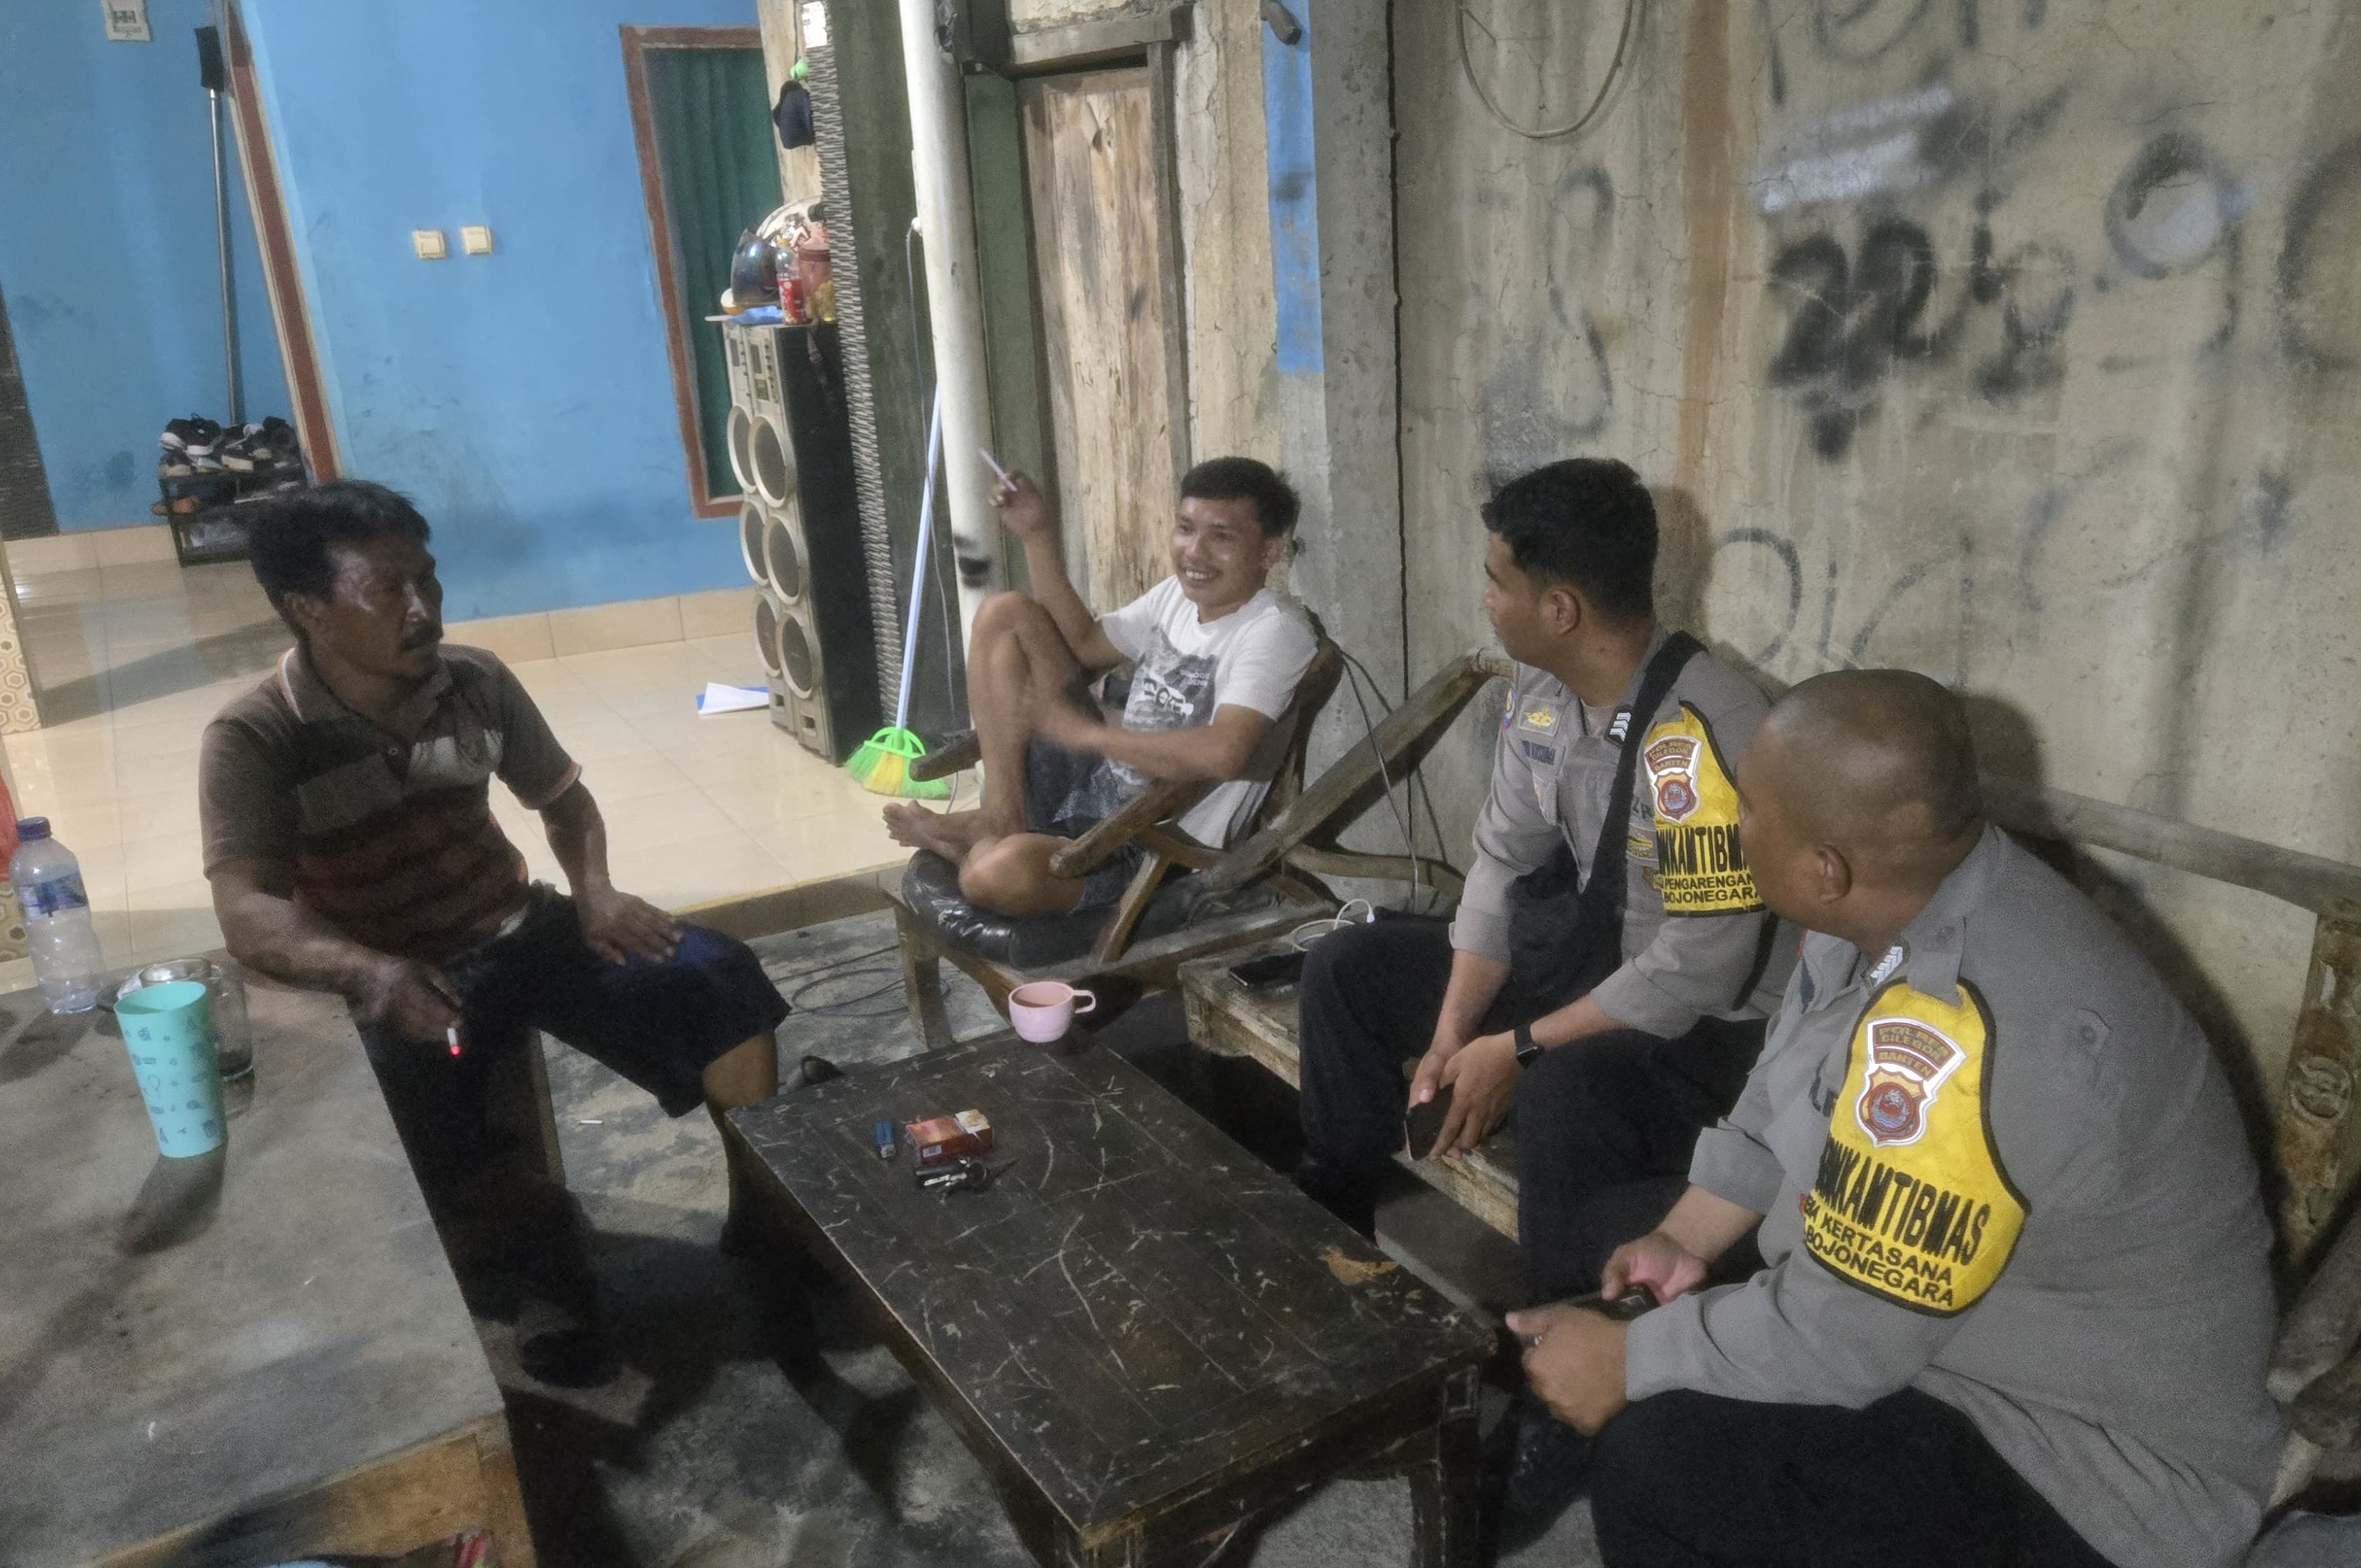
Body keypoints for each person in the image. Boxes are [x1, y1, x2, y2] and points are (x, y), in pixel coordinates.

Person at [1507, 669, 2286, 1568]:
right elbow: (1784, 1085)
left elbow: (1839, 1340)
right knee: (1617, 1244)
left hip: (2089, 1470)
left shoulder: (1973, 1037)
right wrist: (1681, 1239)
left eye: (1748, 809)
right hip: (1965, 1348)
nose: (1728, 820)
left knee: (1667, 1460)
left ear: (1825, 868)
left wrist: (1633, 1362)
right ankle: (1566, 1415)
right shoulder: (1895, 901)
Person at [201, 482, 791, 1373]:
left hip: (518, 927)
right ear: (306, 610)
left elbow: (566, 802)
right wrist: (369, 972)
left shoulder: (474, 681)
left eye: (428, 580)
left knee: (717, 974)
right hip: (396, 966)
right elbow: (247, 909)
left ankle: (766, 1213)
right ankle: (540, 1257)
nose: (423, 608)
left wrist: (594, 891)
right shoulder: (256, 736)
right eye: (388, 590)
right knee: (410, 1093)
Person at [1293, 457, 1783, 1268]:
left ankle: (1553, 1321)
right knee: (1347, 967)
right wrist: (1454, 1032)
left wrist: (1520, 1048)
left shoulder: (1704, 728)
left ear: (1560, 609)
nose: (1486, 599)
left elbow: (1699, 968)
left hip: (1705, 1031)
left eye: (1497, 581)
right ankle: (1337, 1232)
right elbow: (1499, 863)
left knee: (1560, 1091)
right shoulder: (1542, 688)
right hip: (1585, 971)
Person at [883, 457, 1321, 916]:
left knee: (992, 875)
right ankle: (1002, 817)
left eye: (1222, 536)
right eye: (1186, 528)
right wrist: (1037, 534)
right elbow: (1086, 644)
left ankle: (975, 855)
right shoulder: (1175, 595)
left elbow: (1224, 753)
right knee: (1004, 614)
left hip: (1155, 842)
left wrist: (1090, 734)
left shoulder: (1275, 631)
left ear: (1268, 553)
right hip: (1099, 789)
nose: (1195, 552)